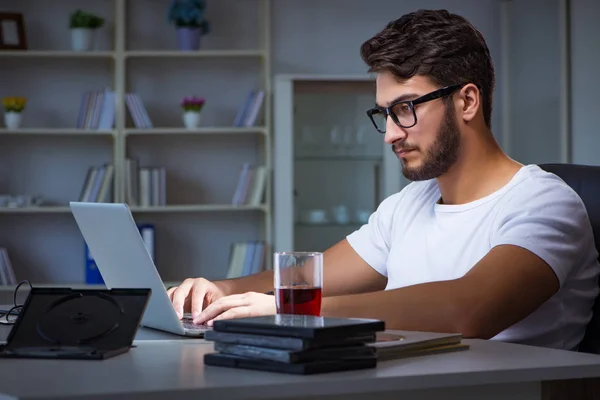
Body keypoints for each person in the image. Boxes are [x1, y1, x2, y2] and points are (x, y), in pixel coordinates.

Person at [168, 9, 599, 350]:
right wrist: (221, 290)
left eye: (406, 108)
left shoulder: (543, 202)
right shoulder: (407, 204)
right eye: (385, 114)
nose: (391, 133)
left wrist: (287, 309)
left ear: (467, 101)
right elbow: (308, 278)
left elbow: (469, 309)